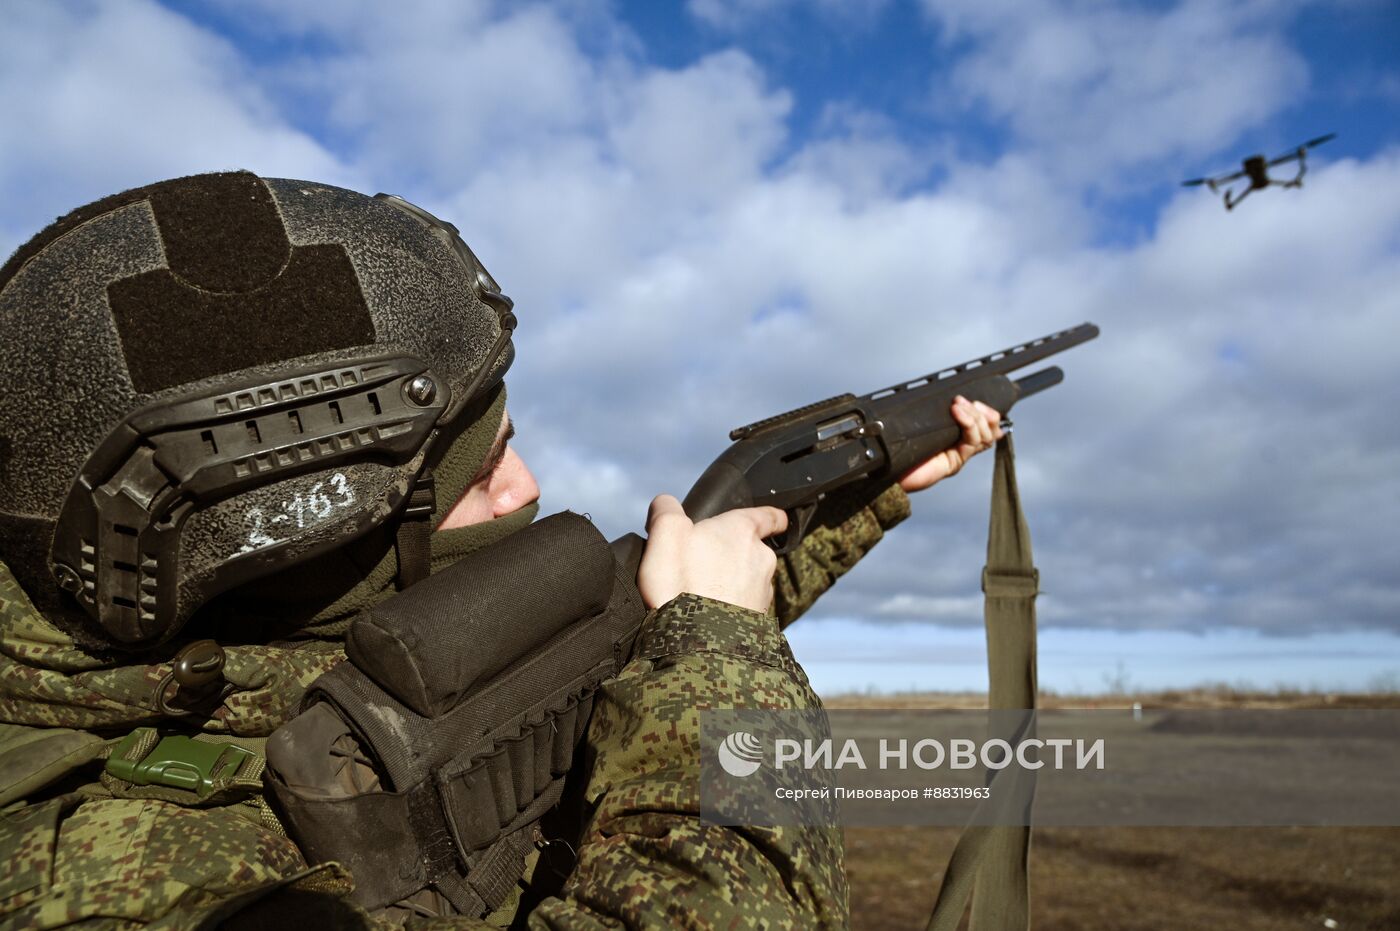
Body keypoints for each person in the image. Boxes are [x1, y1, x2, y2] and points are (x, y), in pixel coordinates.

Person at [0, 171, 1002, 929]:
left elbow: (585, 656)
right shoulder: (110, 875)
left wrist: (860, 499)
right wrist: (722, 669)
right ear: (305, 545)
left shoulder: (262, 654)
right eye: (483, 470)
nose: (522, 490)